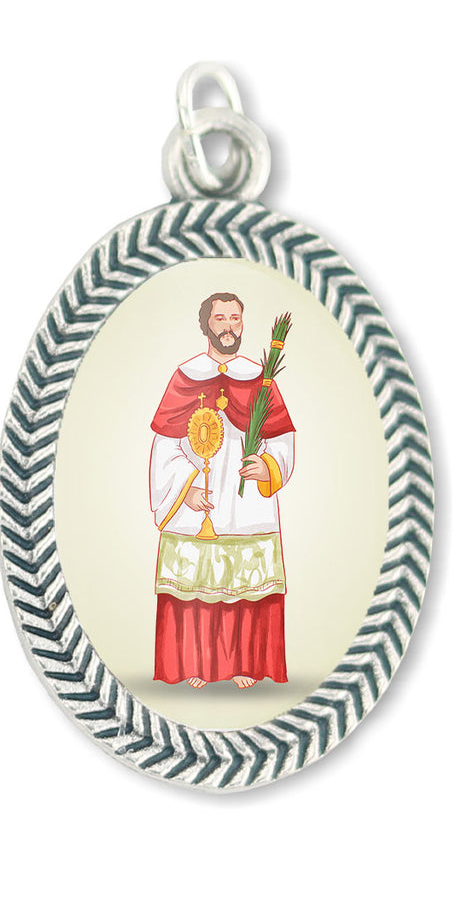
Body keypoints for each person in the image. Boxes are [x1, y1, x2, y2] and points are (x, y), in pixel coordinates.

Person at [148, 292, 295, 688]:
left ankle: (245, 664)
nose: (229, 326)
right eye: (221, 318)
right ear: (206, 325)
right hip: (198, 504)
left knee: (247, 589)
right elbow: (164, 444)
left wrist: (266, 465)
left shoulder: (259, 378)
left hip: (247, 506)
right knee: (195, 588)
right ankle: (196, 663)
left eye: (235, 318)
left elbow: (282, 439)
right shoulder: (186, 376)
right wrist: (186, 489)